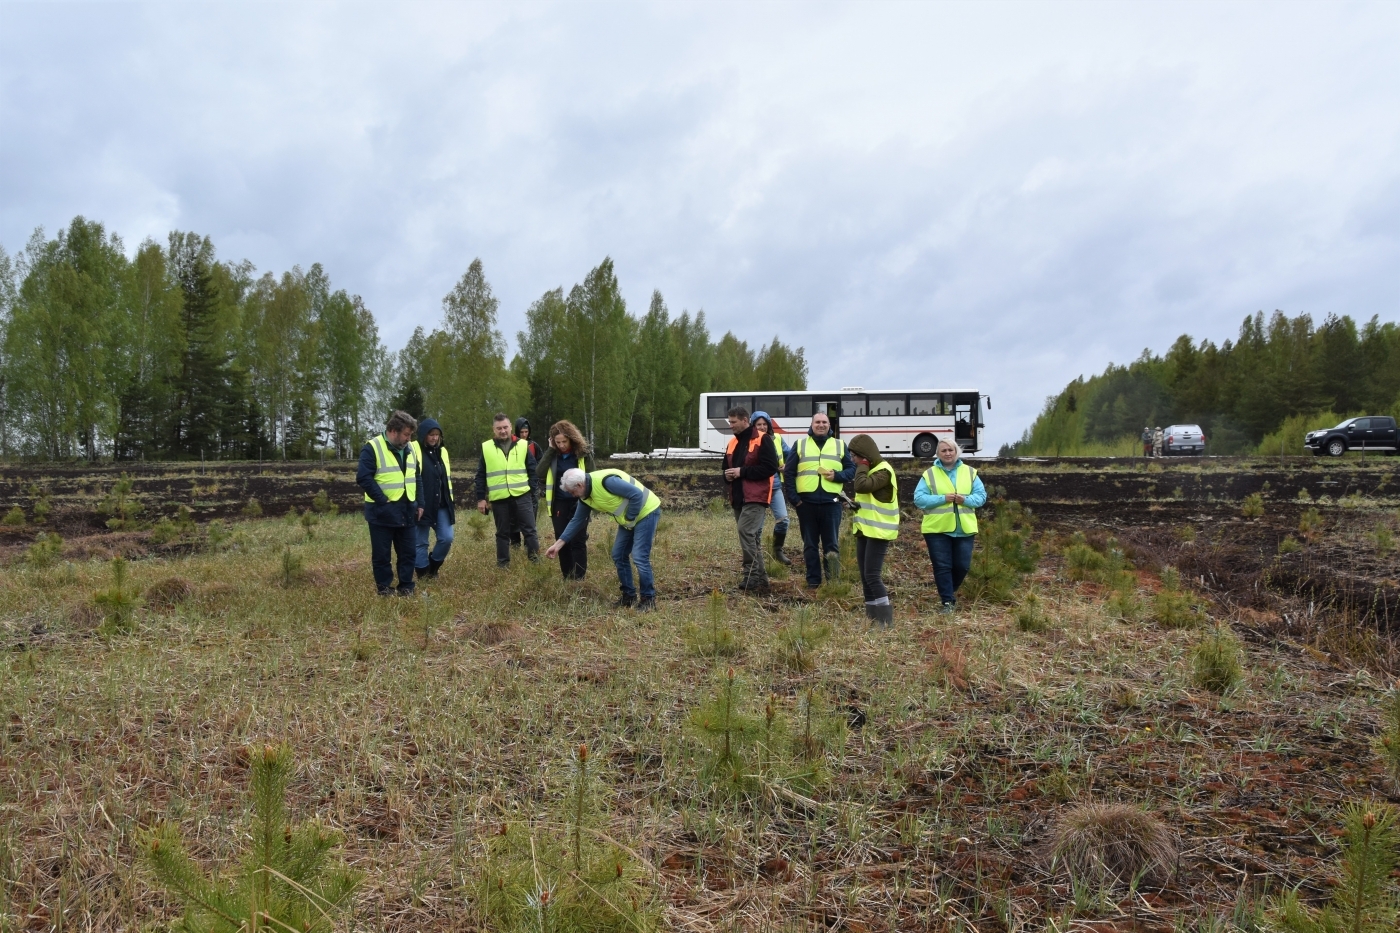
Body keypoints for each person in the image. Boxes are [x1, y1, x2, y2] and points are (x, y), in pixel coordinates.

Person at [545, 467, 661, 611]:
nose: (573, 496)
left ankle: (648, 600)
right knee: (618, 554)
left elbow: (636, 495)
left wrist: (630, 518)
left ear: (580, 485)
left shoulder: (607, 482)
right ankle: (629, 596)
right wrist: (557, 545)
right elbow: (577, 520)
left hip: (646, 511)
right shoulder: (585, 497)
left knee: (639, 557)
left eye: (572, 492)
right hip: (628, 520)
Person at [783, 410, 856, 589]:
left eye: (824, 422)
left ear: (829, 426)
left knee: (832, 544)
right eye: (818, 422)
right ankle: (813, 581)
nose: (821, 425)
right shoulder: (800, 444)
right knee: (810, 545)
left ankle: (833, 581)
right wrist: (794, 499)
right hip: (806, 504)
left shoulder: (839, 445)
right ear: (811, 425)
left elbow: (851, 469)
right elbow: (789, 472)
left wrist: (837, 475)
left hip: (832, 504)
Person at [914, 438, 987, 612]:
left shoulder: (970, 473)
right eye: (943, 451)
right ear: (938, 454)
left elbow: (981, 497)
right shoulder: (929, 474)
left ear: (956, 452)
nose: (947, 453)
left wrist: (965, 500)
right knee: (942, 566)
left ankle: (949, 591)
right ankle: (947, 601)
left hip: (964, 529)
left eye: (950, 450)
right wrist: (942, 498)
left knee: (962, 566)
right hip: (937, 529)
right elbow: (919, 499)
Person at [356, 410, 422, 596]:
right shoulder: (372, 448)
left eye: (410, 435)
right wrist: (382, 499)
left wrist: (421, 503)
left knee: (408, 552)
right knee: (382, 555)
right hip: (381, 512)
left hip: (407, 510)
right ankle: (384, 589)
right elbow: (363, 477)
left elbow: (417, 477)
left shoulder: (409, 450)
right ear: (393, 430)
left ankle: (406, 587)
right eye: (406, 434)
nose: (409, 439)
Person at [721, 405, 780, 593]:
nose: (731, 425)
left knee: (745, 531)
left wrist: (742, 472)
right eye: (729, 422)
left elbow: (770, 467)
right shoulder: (732, 443)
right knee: (751, 538)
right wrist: (727, 476)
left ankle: (751, 576)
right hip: (738, 496)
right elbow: (724, 468)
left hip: (756, 496)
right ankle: (761, 580)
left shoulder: (763, 440)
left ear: (745, 421)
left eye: (733, 422)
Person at [474, 412, 540, 567]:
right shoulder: (487, 447)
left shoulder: (523, 445)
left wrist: (531, 490)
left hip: (522, 495)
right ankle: (503, 564)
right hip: (499, 498)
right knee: (502, 533)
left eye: (505, 427)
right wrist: (481, 498)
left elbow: (533, 470)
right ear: (494, 429)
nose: (502, 431)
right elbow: (480, 475)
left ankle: (535, 561)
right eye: (499, 428)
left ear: (510, 427)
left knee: (530, 530)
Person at [849, 434, 899, 626]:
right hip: (865, 530)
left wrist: (862, 465)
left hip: (879, 532)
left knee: (872, 575)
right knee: (865, 576)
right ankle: (873, 617)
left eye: (855, 456)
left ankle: (885, 621)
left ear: (864, 455)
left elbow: (861, 486)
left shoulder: (883, 471)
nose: (852, 460)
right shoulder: (872, 469)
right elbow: (869, 498)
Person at [536, 419, 590, 580]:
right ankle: (567, 577)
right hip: (559, 503)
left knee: (578, 541)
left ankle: (579, 578)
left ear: (572, 439)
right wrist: (550, 450)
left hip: (580, 502)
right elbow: (539, 472)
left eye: (564, 442)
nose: (561, 445)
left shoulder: (583, 454)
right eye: (557, 442)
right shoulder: (553, 455)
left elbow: (593, 477)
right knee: (562, 539)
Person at [410, 418, 455, 579]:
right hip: (421, 504)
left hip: (442, 504)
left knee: (447, 538)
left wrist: (450, 502)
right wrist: (415, 502)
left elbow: (445, 479)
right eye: (431, 435)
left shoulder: (443, 452)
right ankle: (422, 572)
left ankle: (434, 566)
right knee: (420, 542)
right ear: (423, 435)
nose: (434, 438)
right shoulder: (413, 449)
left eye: (437, 435)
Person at [751, 411, 792, 566]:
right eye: (758, 424)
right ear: (753, 426)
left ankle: (777, 551)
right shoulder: (750, 441)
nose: (762, 427)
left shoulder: (778, 439)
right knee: (757, 527)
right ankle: (756, 555)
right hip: (758, 488)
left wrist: (787, 466)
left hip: (775, 487)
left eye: (764, 424)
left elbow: (791, 454)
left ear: (768, 425)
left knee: (783, 520)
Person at [509, 417, 543, 549]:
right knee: (513, 517)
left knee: (530, 518)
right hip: (515, 486)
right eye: (521, 432)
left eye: (526, 432)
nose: (524, 435)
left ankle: (529, 544)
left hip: (531, 487)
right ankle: (515, 543)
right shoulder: (511, 445)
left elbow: (541, 464)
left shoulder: (534, 446)